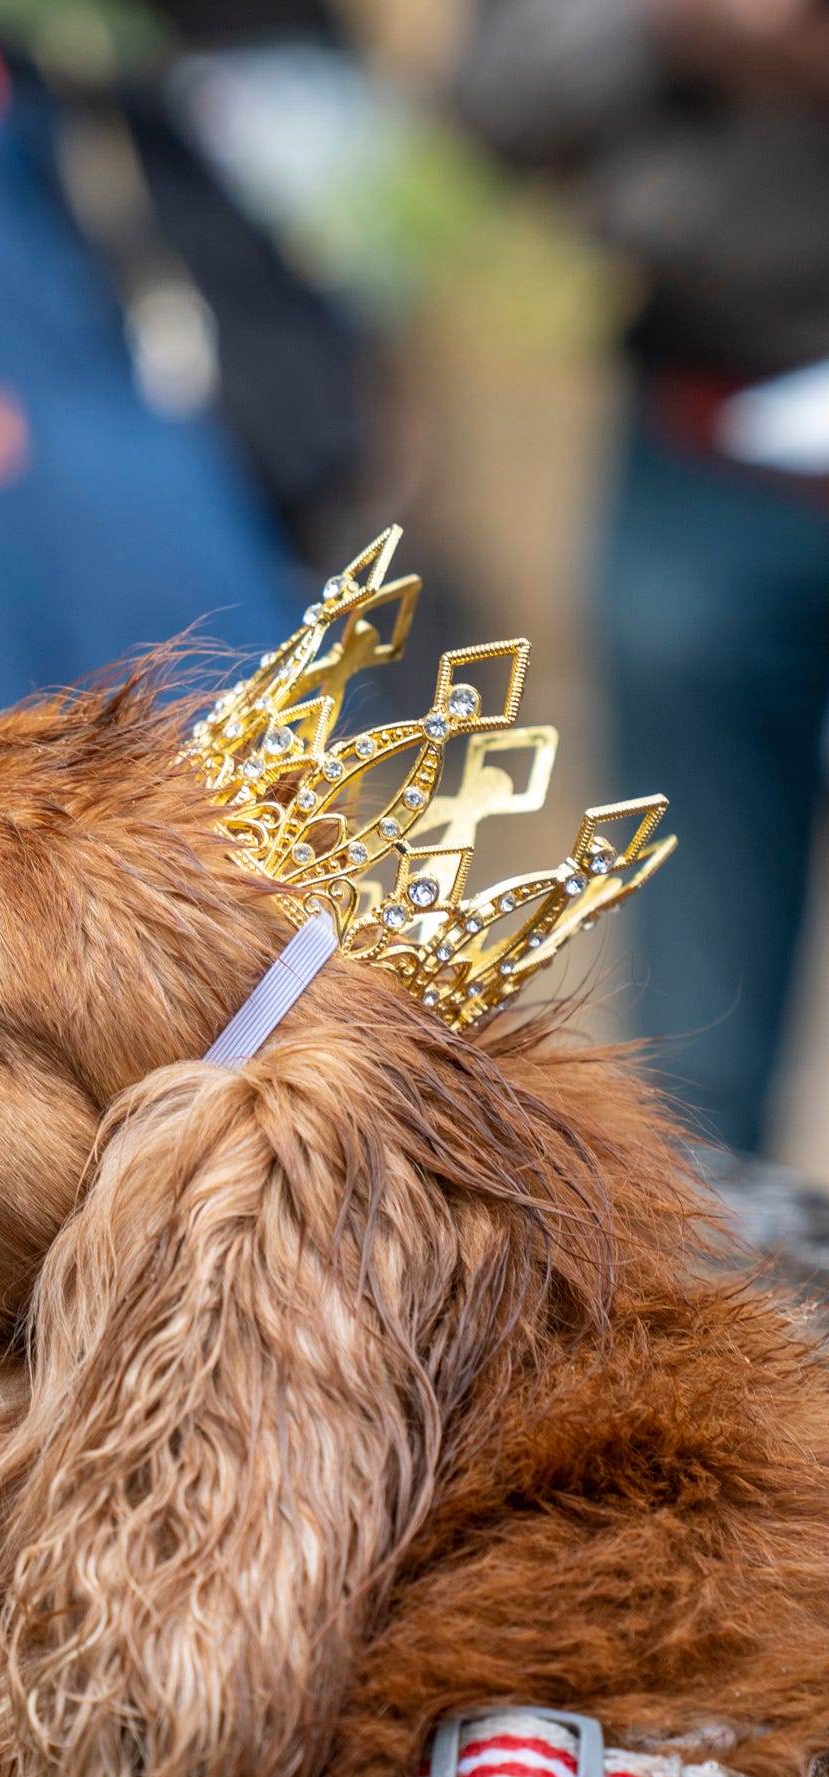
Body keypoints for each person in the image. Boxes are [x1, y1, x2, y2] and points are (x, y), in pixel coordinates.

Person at [458, 0, 829, 1157]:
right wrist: (674, 29)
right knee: (696, 1053)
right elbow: (490, 97)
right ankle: (717, 1322)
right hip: (704, 444)